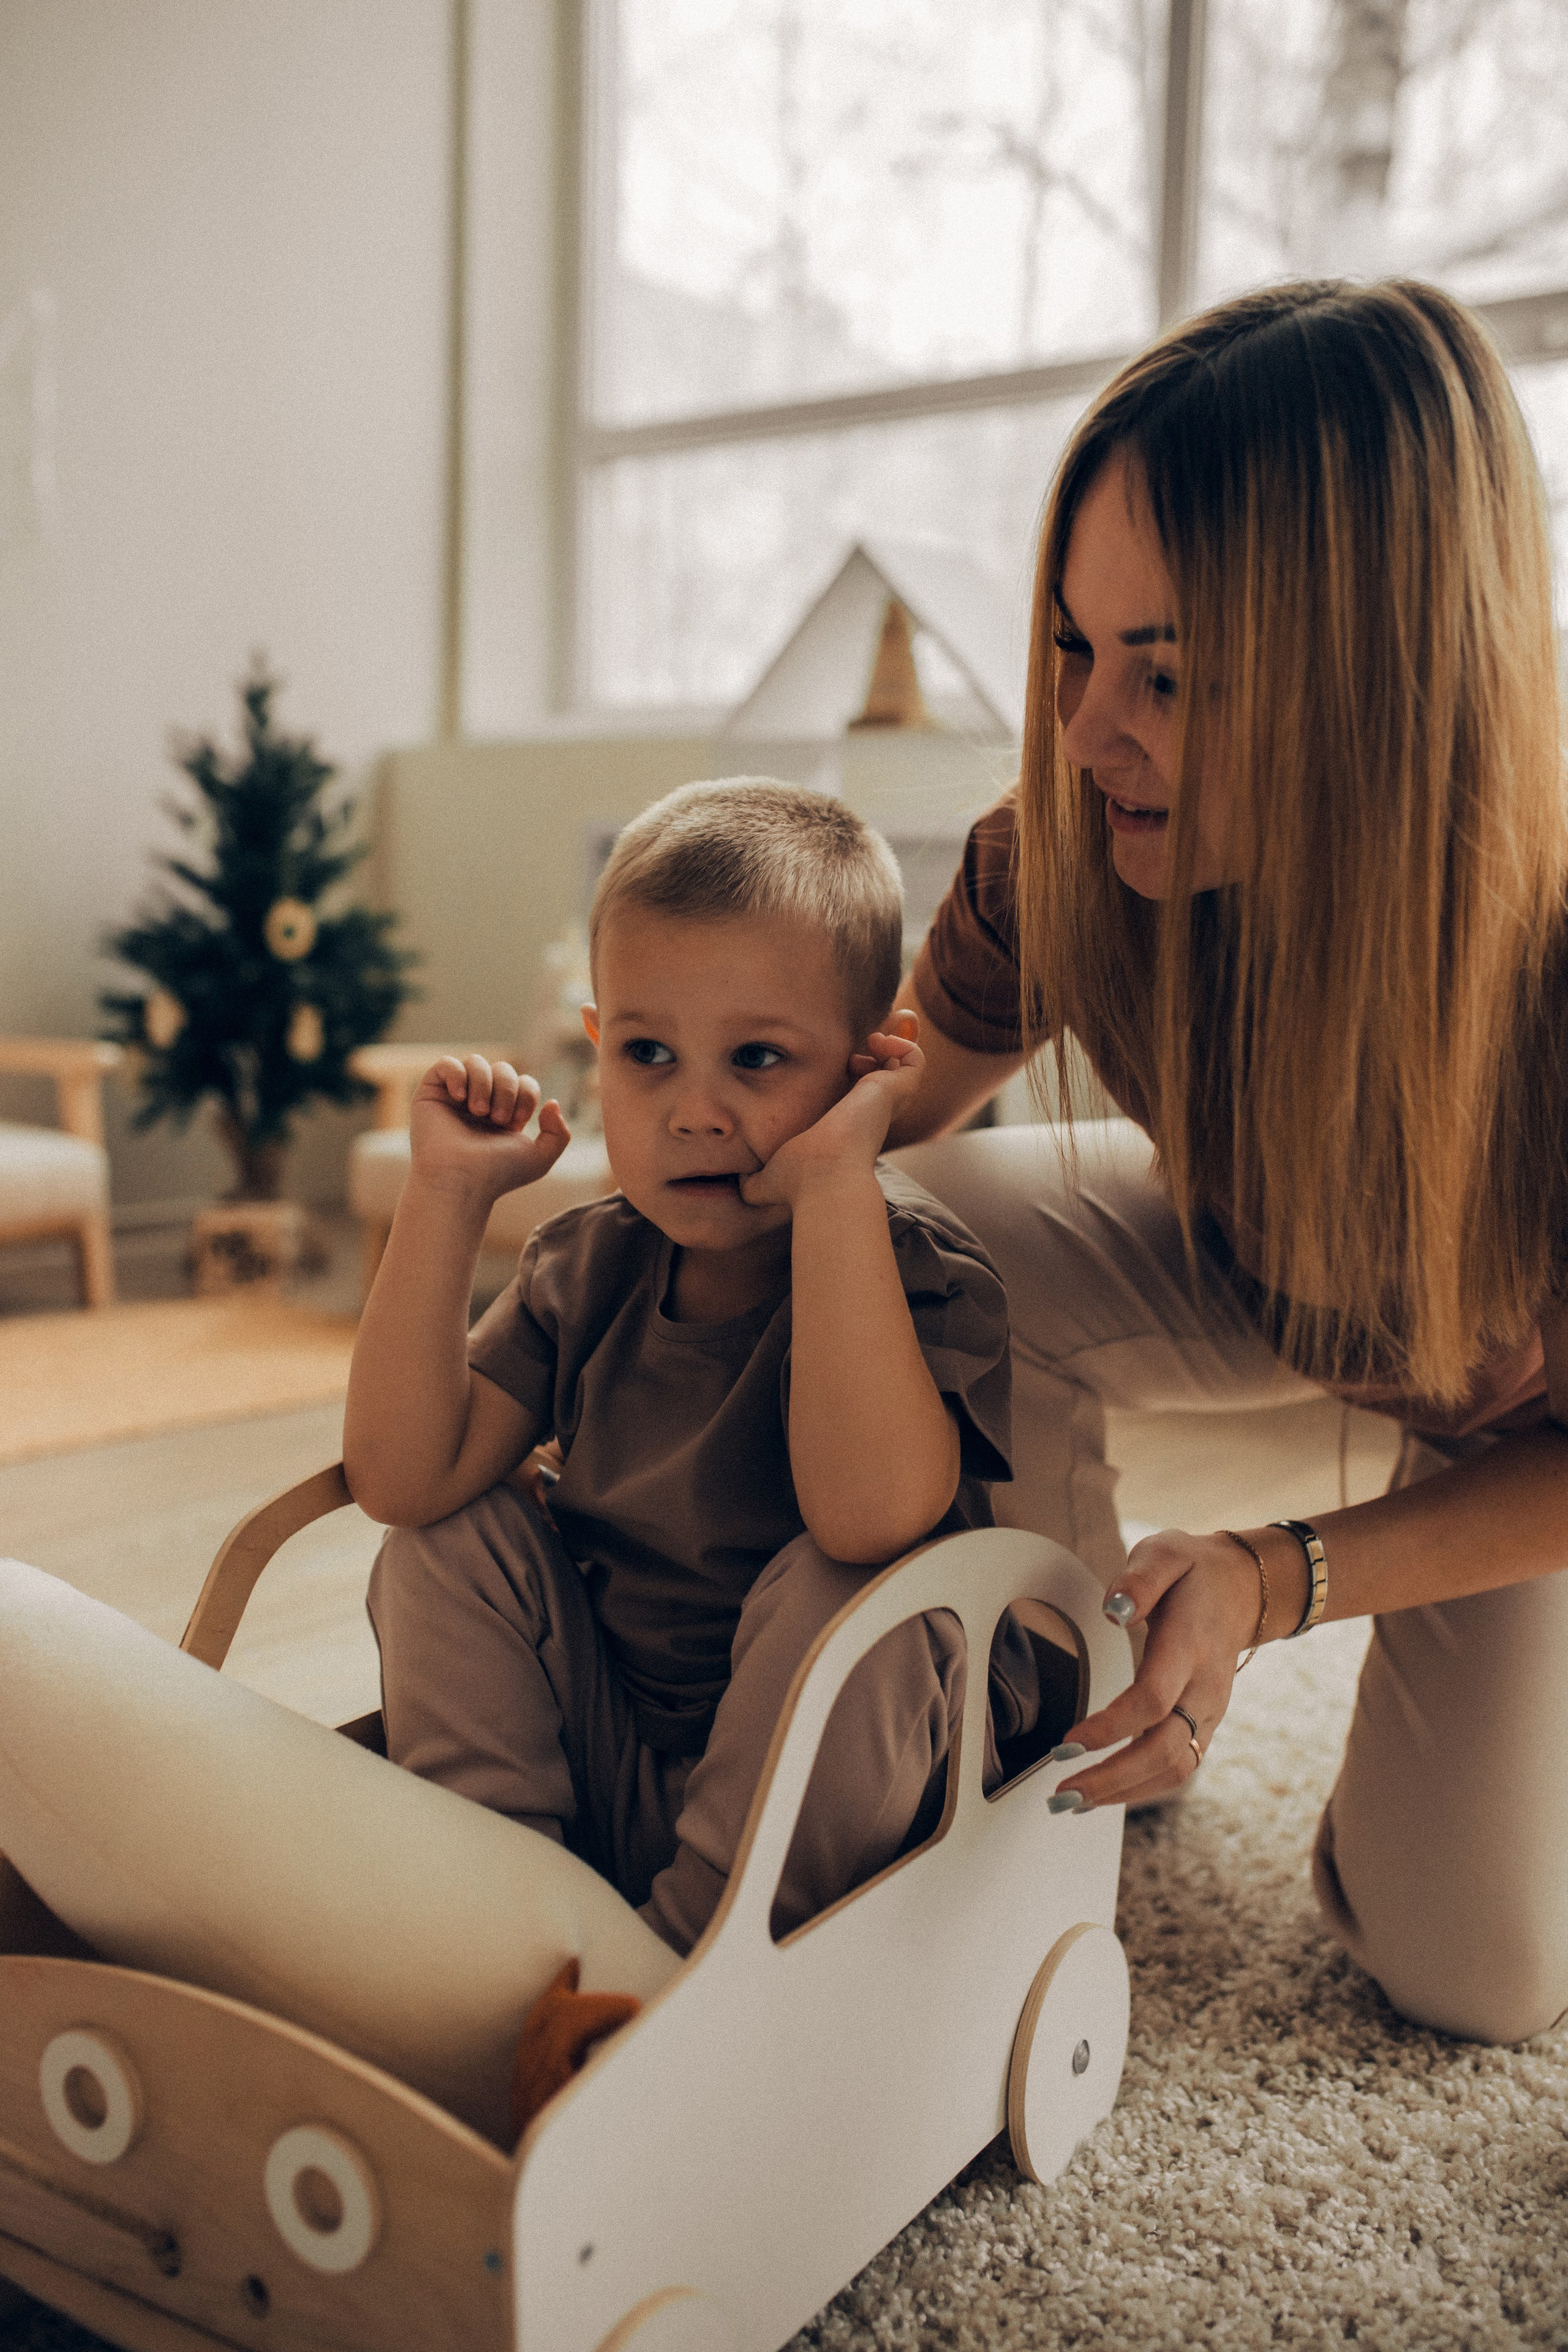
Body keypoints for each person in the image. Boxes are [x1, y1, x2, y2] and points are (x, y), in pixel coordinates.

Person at [882, 276, 1568, 2048]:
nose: (1092, 730)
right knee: (910, 1221)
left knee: (1471, 1974)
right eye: (1070, 651)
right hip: (1270, 1271)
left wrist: (1284, 1572)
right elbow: (858, 1126)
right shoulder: (1061, 857)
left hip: (1518, 1418)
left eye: (1166, 674)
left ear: (1379, 677)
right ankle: (1080, 1686)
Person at [344, 777, 1024, 1987]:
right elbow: (402, 1478)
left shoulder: (920, 1271)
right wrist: (445, 1196)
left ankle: (677, 1979)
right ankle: (496, 1921)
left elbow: (868, 1519)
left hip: (818, 1801)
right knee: (444, 1542)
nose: (692, 1113)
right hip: (614, 1741)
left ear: (873, 1070)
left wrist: (831, 1185)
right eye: (646, 1055)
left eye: (756, 1059)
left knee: (854, 1592)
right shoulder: (586, 1262)